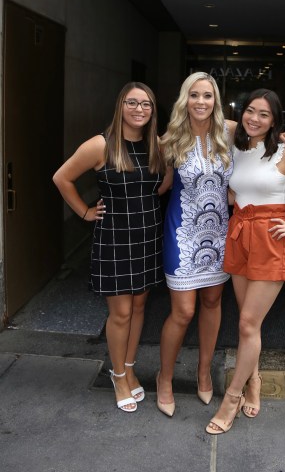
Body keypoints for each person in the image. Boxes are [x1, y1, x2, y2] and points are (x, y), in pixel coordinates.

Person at [156, 72, 285, 417]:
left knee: (212, 299)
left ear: (216, 101)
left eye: (208, 96)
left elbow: (261, 128)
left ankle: (205, 372)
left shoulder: (230, 130)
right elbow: (159, 185)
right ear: (184, 100)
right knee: (183, 310)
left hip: (221, 231)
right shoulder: (168, 140)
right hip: (182, 232)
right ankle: (165, 378)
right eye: (194, 95)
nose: (201, 102)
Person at [205, 88, 285, 434]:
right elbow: (211, 115)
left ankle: (232, 396)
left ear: (276, 120)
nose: (255, 118)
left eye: (264, 114)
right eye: (250, 111)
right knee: (251, 323)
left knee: (247, 323)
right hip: (239, 235)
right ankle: (255, 379)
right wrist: (234, 195)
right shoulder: (237, 143)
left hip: (270, 239)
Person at [53, 82, 166, 413]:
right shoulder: (101, 145)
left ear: (152, 111)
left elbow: (164, 182)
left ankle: (129, 369)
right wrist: (86, 211)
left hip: (147, 235)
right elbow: (62, 178)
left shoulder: (156, 145)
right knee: (121, 312)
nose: (139, 109)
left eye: (146, 104)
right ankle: (118, 376)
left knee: (141, 307)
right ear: (121, 106)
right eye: (132, 103)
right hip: (114, 238)